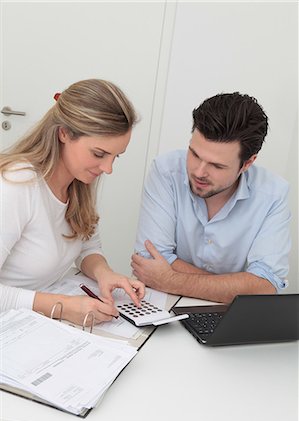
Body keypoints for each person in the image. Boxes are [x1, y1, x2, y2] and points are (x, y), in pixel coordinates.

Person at [0, 78, 145, 325]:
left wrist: (104, 273)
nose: (108, 168)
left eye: (115, 156)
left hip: (36, 323)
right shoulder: (16, 184)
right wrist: (62, 306)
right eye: (99, 154)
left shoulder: (78, 183)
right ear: (64, 133)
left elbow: (87, 246)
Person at [131, 92, 291, 303]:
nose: (199, 171)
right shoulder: (166, 171)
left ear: (247, 163)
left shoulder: (272, 194)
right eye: (194, 154)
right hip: (163, 308)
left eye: (217, 165)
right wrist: (235, 286)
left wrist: (170, 280)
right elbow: (149, 261)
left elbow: (265, 285)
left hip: (226, 319)